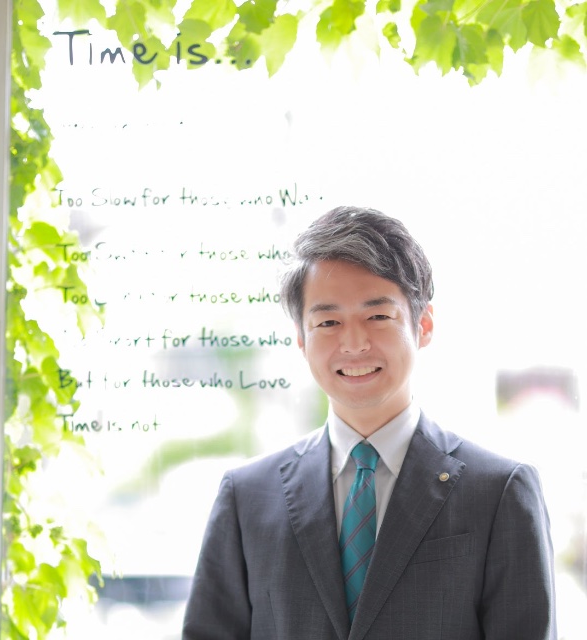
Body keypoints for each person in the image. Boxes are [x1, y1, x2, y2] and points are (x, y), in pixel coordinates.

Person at [182, 206, 556, 639]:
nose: (354, 343)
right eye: (328, 322)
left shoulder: (499, 491)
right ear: (301, 338)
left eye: (378, 316)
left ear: (423, 325)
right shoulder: (247, 496)